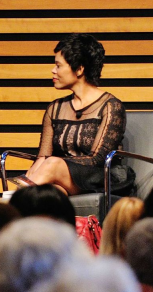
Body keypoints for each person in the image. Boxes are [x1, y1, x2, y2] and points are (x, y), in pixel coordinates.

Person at [18, 34, 125, 195]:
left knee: (51, 164)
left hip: (98, 178)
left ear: (80, 69)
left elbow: (98, 159)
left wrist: (55, 162)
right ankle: (17, 200)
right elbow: (42, 158)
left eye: (58, 66)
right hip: (63, 178)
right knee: (48, 193)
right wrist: (29, 176)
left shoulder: (110, 106)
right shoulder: (55, 108)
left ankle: (12, 203)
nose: (53, 70)